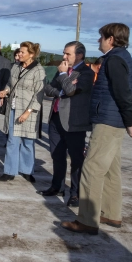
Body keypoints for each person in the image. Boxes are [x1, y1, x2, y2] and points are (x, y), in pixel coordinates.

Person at [62, 23, 132, 235]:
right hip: (114, 120)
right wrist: (130, 119)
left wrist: (130, 120)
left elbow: (123, 93)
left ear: (111, 39)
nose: (99, 41)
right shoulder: (124, 57)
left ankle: (87, 220)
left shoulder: (114, 60)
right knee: (111, 169)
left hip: (107, 120)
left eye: (101, 37)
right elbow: (131, 90)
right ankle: (110, 213)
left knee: (92, 169)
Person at [39, 41, 94, 207]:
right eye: (64, 53)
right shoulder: (63, 69)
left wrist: (63, 78)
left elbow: (72, 91)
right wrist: (62, 90)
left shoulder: (86, 73)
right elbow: (49, 89)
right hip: (56, 119)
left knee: (76, 159)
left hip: (74, 122)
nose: (63, 57)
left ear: (79, 55)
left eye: (67, 54)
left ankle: (76, 193)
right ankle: (57, 186)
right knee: (57, 154)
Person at [0, 41, 46, 182]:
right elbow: (10, 84)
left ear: (31, 55)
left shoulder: (38, 71)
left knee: (27, 141)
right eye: (19, 51)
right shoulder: (16, 67)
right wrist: (5, 91)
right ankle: (9, 171)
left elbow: (39, 94)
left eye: (23, 52)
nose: (19, 54)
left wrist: (27, 112)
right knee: (12, 140)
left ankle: (27, 170)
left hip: (28, 111)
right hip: (13, 108)